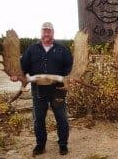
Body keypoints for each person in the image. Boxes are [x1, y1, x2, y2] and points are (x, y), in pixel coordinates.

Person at [10, 22, 73, 156]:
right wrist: (16, 75)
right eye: (44, 31)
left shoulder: (62, 50)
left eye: (49, 31)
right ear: (41, 32)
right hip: (38, 89)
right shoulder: (32, 49)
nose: (46, 33)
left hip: (58, 89)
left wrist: (71, 77)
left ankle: (63, 145)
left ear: (53, 33)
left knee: (61, 118)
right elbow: (22, 67)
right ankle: (40, 145)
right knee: (38, 119)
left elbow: (70, 68)